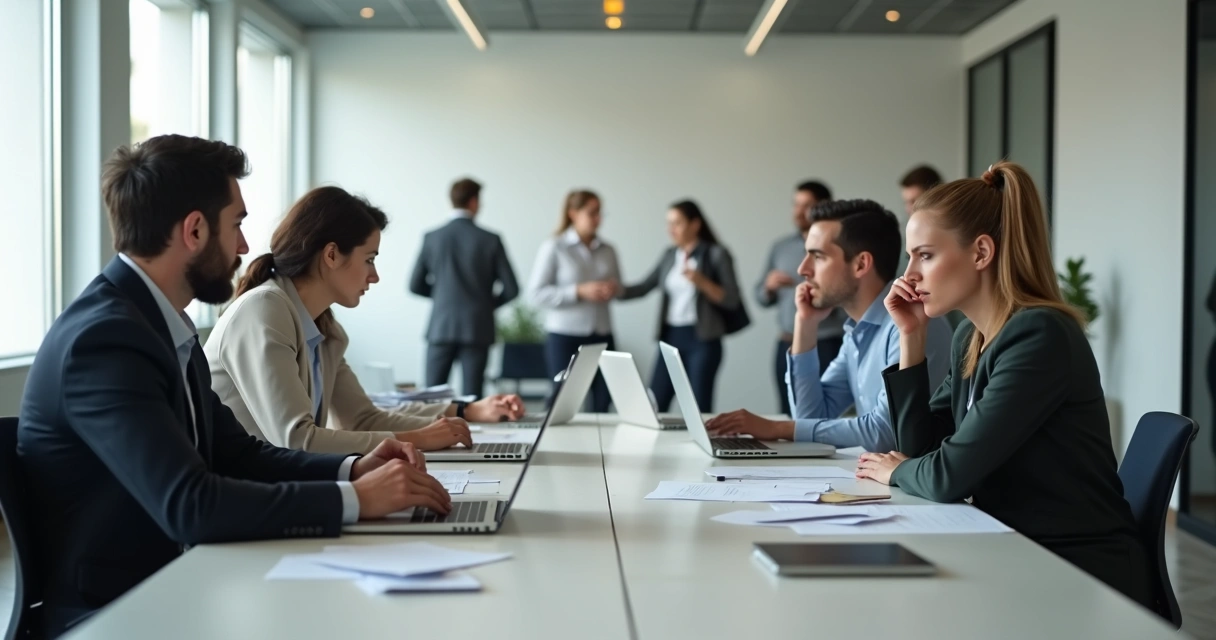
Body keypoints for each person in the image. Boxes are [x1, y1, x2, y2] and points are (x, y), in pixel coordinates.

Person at [17, 135, 452, 637]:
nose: (245, 247)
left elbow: (238, 454)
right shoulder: (106, 340)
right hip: (121, 614)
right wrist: (355, 500)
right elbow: (191, 505)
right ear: (195, 231)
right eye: (237, 225)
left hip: (181, 583)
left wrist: (353, 468)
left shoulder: (160, 326)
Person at [855, 161, 1153, 608]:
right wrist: (911, 337)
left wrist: (896, 471)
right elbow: (921, 448)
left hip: (1078, 569)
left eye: (925, 255)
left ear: (981, 252)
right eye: (910, 257)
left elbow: (947, 475)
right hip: (1015, 547)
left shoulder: (1040, 335)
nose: (908, 274)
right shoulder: (969, 338)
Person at [206, 186, 526, 456]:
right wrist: (417, 439)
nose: (374, 276)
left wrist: (458, 416)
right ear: (331, 255)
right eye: (370, 260)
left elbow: (362, 419)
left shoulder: (326, 330)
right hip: (241, 498)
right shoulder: (264, 310)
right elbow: (296, 440)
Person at [706, 199, 952, 451]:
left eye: (817, 256)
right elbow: (810, 417)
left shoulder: (914, 325)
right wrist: (805, 325)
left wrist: (777, 428)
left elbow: (887, 432)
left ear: (860, 264)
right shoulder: (857, 331)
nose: (803, 269)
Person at [619, 200, 746, 412]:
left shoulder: (716, 254)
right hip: (671, 337)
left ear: (695, 225)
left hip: (703, 339)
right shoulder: (670, 255)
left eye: (677, 223)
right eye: (668, 223)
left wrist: (702, 281)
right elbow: (645, 286)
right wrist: (615, 291)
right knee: (655, 403)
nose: (671, 229)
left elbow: (731, 298)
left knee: (698, 407)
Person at [409, 177, 519, 398]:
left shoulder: (432, 237)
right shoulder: (490, 239)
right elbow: (512, 289)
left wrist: (442, 297)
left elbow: (415, 285)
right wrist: (485, 304)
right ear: (474, 201)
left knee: (432, 398)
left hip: (441, 326)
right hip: (477, 327)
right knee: (473, 399)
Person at [755, 180, 847, 415]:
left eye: (806, 205)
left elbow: (849, 292)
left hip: (825, 342)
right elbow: (760, 296)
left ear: (823, 207)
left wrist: (815, 292)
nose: (798, 211)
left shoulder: (840, 246)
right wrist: (768, 287)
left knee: (822, 414)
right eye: (795, 204)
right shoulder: (780, 247)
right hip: (786, 342)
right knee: (787, 411)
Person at [527, 189, 621, 412]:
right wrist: (578, 291)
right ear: (573, 213)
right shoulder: (554, 247)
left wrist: (613, 289)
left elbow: (621, 288)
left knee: (604, 399)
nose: (598, 219)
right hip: (565, 336)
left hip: (602, 334)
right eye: (592, 213)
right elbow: (535, 294)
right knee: (562, 400)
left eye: (600, 213)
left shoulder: (608, 250)